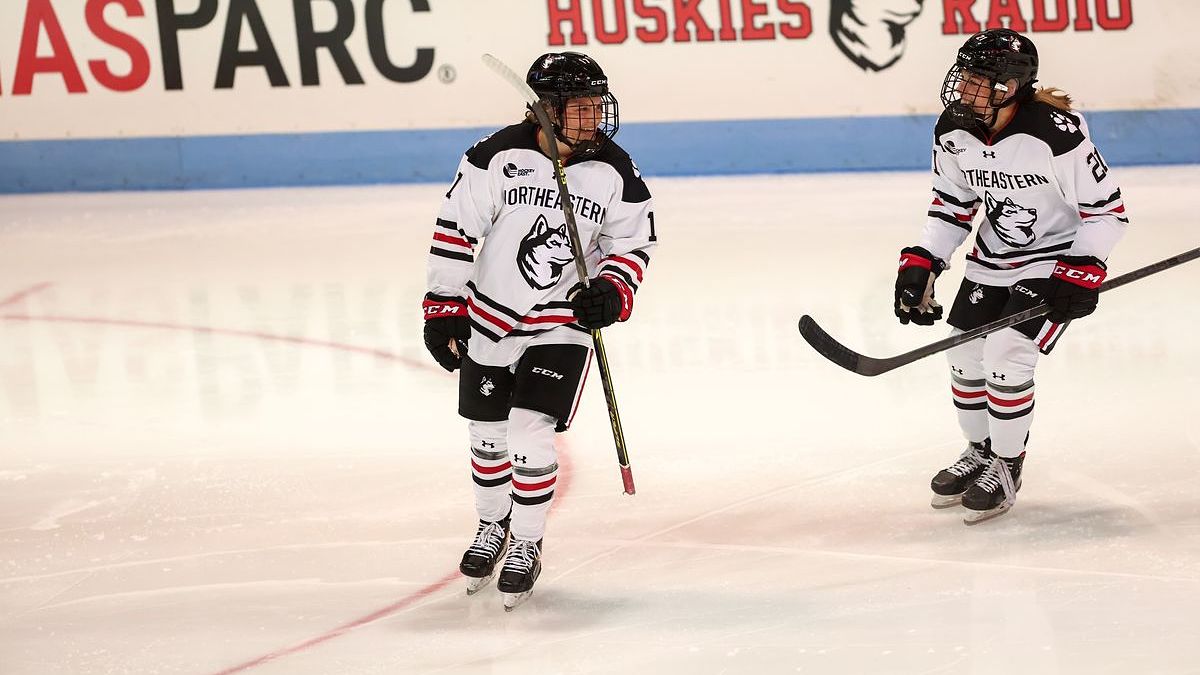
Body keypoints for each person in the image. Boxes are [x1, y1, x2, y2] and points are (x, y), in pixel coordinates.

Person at [421, 52, 656, 607]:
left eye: (599, 103)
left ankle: (526, 542)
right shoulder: (493, 157)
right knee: (486, 437)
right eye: (581, 107)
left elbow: (634, 244)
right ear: (546, 110)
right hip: (491, 317)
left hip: (561, 322)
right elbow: (456, 230)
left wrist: (613, 289)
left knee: (528, 432)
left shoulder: (614, 169)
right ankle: (491, 525)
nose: (596, 116)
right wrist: (443, 303)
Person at [893, 29, 1128, 524]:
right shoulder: (953, 129)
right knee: (963, 348)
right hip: (993, 256)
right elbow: (952, 205)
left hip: (1054, 258)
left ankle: (1007, 463)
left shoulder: (1055, 134)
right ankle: (981, 451)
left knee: (1007, 354)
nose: (964, 89)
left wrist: (1085, 266)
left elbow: (1107, 213)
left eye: (980, 81)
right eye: (965, 77)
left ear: (1011, 87)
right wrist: (923, 259)